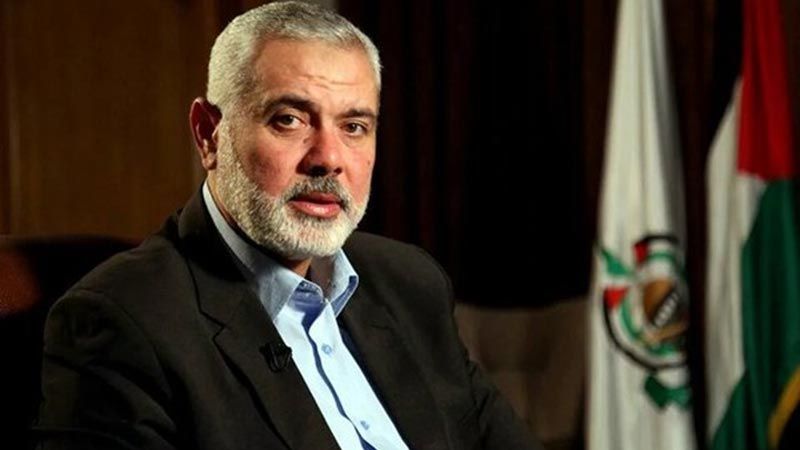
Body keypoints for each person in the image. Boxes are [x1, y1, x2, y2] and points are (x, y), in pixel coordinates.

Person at [35, 2, 541, 449]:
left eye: (354, 127)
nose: (329, 158)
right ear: (209, 135)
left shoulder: (410, 282)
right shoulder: (122, 324)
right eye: (289, 119)